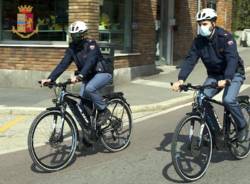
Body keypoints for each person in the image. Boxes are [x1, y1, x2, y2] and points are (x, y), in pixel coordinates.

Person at [171, 8, 247, 142]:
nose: (201, 27)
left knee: (228, 100)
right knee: (200, 98)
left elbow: (232, 59)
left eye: (204, 24)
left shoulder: (225, 37)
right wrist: (181, 79)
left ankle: (242, 126)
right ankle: (214, 132)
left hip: (233, 74)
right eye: (199, 24)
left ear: (213, 23)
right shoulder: (199, 41)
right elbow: (190, 59)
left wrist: (227, 78)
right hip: (215, 75)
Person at [41, 21, 112, 125]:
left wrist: (80, 76)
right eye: (72, 35)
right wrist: (51, 78)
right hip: (88, 77)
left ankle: (104, 111)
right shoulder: (72, 49)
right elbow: (63, 64)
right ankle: (92, 129)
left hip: (102, 74)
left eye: (77, 35)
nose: (74, 37)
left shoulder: (91, 44)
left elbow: (90, 62)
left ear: (83, 34)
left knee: (89, 88)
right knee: (83, 103)